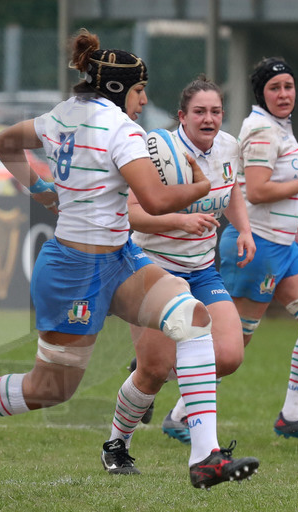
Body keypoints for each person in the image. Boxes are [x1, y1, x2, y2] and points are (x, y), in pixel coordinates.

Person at [0, 29, 259, 489]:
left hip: (119, 259)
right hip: (73, 271)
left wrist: (41, 192)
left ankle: (205, 458)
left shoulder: (63, 114)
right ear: (118, 89)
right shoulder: (121, 129)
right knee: (50, 389)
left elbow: (3, 143)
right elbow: (155, 202)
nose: (143, 100)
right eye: (139, 90)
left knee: (193, 319)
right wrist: (200, 187)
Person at [100, 75, 255, 466]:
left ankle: (201, 445)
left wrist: (244, 230)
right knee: (151, 374)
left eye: (216, 111)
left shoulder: (229, 146)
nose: (209, 119)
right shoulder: (155, 150)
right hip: (153, 268)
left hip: (202, 270)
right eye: (200, 112)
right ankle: (117, 446)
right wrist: (178, 221)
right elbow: (131, 215)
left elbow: (232, 188)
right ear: (182, 117)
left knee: (231, 356)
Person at [218, 57, 298, 444]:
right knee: (232, 346)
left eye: (288, 86)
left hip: (284, 247)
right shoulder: (263, 129)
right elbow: (257, 190)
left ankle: (292, 417)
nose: (284, 94)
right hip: (257, 245)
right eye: (275, 88)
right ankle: (164, 388)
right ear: (260, 94)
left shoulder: (278, 126)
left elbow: (275, 184)